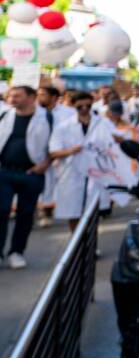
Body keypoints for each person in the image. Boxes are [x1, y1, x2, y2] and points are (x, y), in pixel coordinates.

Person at [0, 85, 52, 269]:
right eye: (11, 96)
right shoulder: (5, 115)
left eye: (17, 96)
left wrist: (44, 164)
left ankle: (16, 252)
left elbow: (55, 143)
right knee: (1, 210)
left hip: (31, 173)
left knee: (25, 214)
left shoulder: (46, 117)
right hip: (4, 171)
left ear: (31, 97)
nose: (12, 99)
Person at [48, 91, 94, 231]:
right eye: (80, 106)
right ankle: (76, 245)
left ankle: (91, 247)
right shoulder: (63, 127)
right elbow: (53, 151)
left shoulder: (101, 123)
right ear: (73, 106)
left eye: (88, 105)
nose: (85, 108)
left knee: (92, 212)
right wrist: (70, 151)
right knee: (73, 211)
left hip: (94, 173)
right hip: (71, 173)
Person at [35, 83, 62, 228]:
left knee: (50, 186)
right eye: (38, 94)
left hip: (57, 155)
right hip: (37, 154)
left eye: (43, 95)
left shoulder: (65, 113)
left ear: (54, 97)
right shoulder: (34, 112)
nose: (39, 98)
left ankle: (47, 212)